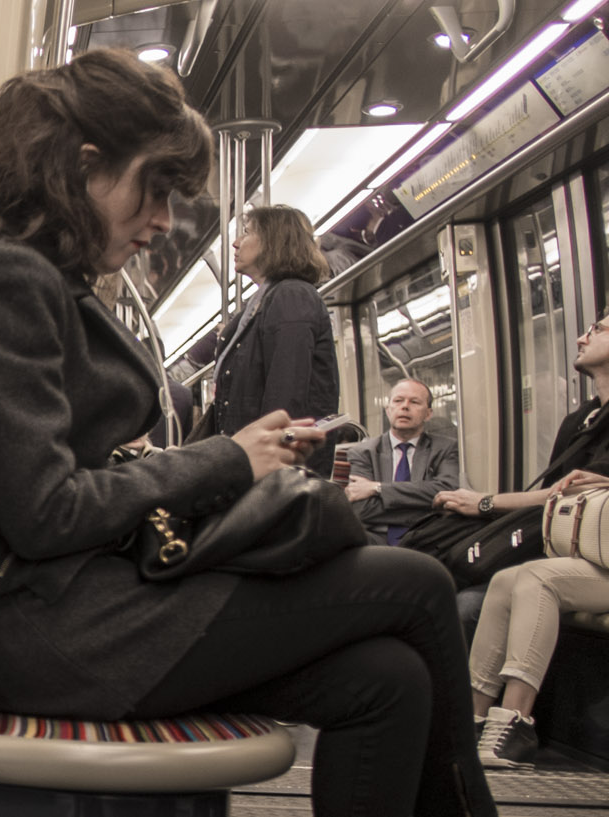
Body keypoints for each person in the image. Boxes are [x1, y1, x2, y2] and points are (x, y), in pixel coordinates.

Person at [0, 49, 495, 815]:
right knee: (417, 581)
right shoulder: (0, 282)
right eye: (157, 188)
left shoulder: (24, 276)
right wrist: (225, 459)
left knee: (388, 680)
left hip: (68, 607)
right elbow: (46, 512)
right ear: (82, 165)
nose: (165, 220)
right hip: (45, 630)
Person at [438, 314, 609, 769]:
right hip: (585, 555)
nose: (582, 336)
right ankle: (472, 721)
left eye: (600, 329)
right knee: (505, 581)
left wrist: (487, 502)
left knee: (536, 578)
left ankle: (515, 722)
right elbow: (558, 490)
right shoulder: (582, 419)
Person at [197, 205, 341, 475]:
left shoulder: (292, 296)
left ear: (273, 241)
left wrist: (268, 464)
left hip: (274, 471)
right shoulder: (264, 301)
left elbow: (286, 395)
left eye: (247, 233)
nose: (236, 243)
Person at [348, 378, 461, 546]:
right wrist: (427, 507)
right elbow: (360, 509)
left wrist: (378, 488)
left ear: (428, 413)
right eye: (398, 400)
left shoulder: (445, 448)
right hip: (375, 541)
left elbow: (446, 490)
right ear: (388, 410)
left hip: (429, 538)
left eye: (414, 402)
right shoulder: (363, 452)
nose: (405, 406)